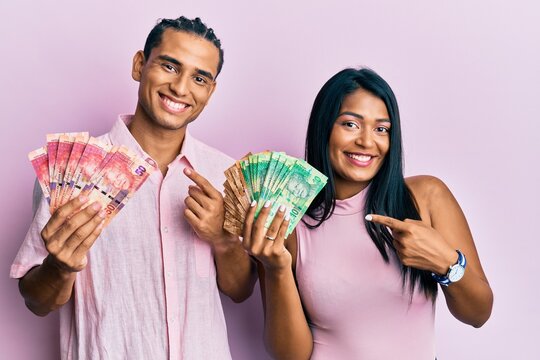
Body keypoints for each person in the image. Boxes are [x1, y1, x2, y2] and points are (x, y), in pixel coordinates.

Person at [11, 16, 256, 359]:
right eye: (170, 66)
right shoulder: (69, 171)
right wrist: (59, 267)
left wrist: (223, 240)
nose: (181, 88)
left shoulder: (224, 174)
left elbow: (241, 291)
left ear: (210, 90)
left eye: (199, 78)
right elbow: (35, 301)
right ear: (140, 65)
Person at [242, 68, 493, 359]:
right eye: (350, 124)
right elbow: (289, 356)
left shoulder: (426, 197)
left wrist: (446, 263)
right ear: (324, 128)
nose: (366, 141)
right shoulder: (288, 219)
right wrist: (276, 269)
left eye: (381, 129)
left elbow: (479, 314)